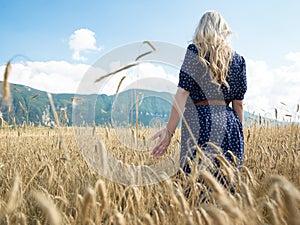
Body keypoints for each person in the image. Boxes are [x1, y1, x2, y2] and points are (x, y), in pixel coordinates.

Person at [151, 11, 247, 175]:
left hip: (199, 120)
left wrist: (169, 132)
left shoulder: (195, 51)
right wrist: (239, 133)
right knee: (227, 184)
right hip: (230, 122)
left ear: (201, 29)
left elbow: (182, 93)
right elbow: (238, 103)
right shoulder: (238, 60)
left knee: (195, 181)